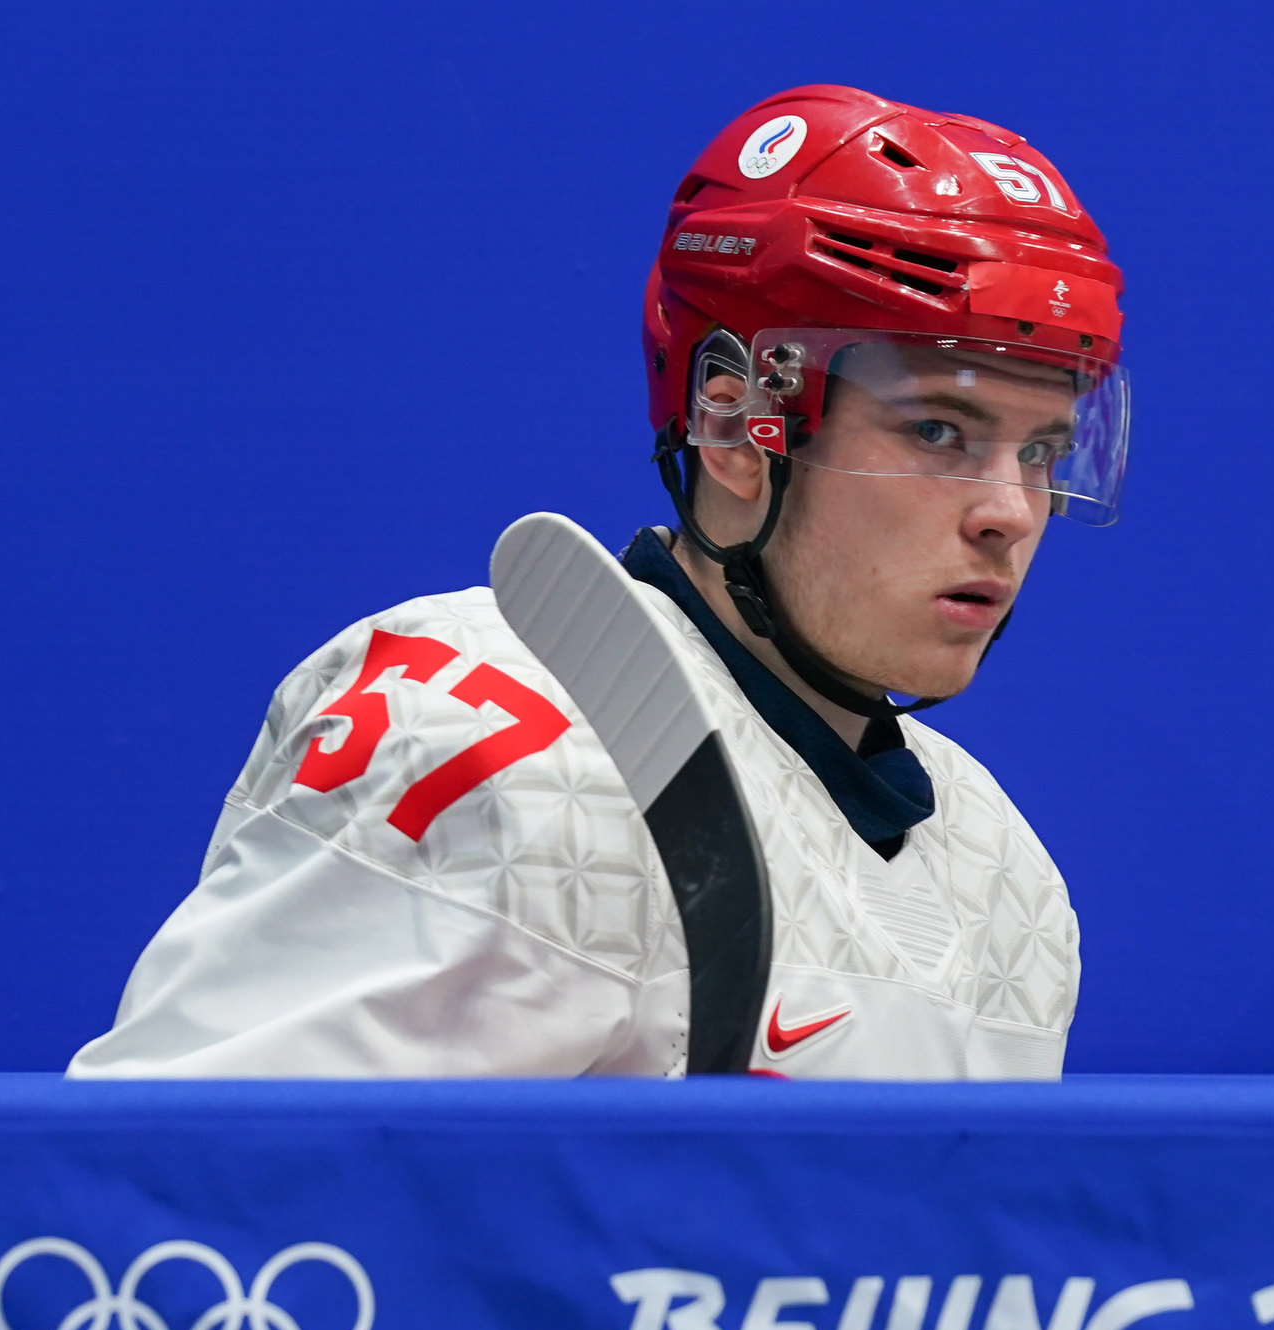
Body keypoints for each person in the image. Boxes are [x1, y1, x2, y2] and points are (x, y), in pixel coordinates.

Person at [67, 83, 1130, 1080]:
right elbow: (180, 1186)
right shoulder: (486, 732)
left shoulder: (1000, 874)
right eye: (938, 430)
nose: (1010, 511)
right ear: (733, 428)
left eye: (1041, 450)